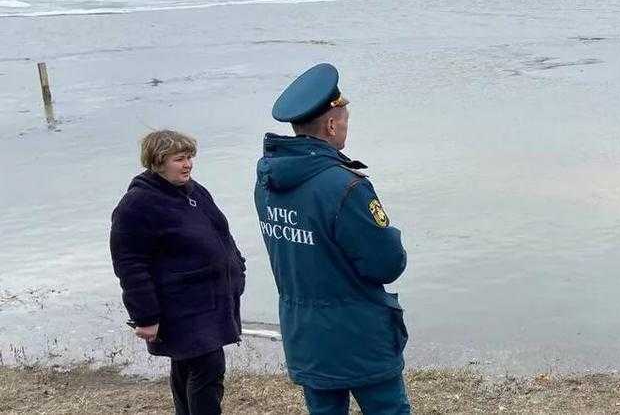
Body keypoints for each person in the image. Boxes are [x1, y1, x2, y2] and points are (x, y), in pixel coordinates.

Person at [254, 63, 409, 415]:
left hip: (305, 332)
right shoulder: (344, 186)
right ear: (331, 124)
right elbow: (387, 263)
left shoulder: (268, 183)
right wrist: (391, 234)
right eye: (345, 122)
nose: (345, 130)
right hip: (358, 334)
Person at [110, 129, 246, 415]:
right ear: (157, 162)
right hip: (181, 307)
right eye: (179, 159)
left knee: (188, 367)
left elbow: (221, 233)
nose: (188, 165)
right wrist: (146, 316)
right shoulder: (137, 205)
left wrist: (237, 267)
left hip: (209, 301)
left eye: (189, 158)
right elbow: (130, 265)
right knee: (208, 369)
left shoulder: (193, 190)